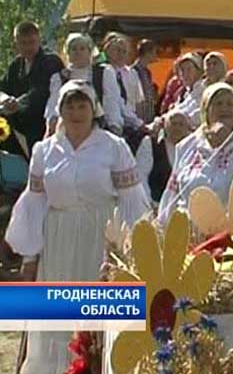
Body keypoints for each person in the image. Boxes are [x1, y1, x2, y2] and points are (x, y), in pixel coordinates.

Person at [4, 79, 150, 374]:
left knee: (97, 316)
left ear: (93, 108)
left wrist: (131, 249)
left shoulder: (113, 146)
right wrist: (30, 257)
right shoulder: (44, 150)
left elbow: (132, 200)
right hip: (57, 239)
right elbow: (35, 205)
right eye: (69, 105)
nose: (76, 111)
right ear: (60, 109)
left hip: (101, 239)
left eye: (82, 105)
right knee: (56, 315)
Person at [158, 82, 233, 224]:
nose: (224, 109)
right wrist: (162, 226)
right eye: (218, 103)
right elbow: (173, 193)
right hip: (189, 231)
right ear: (206, 110)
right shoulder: (187, 145)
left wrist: (228, 143)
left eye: (230, 104)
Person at [0, 21, 64, 157]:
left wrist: (18, 103)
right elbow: (2, 88)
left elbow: (40, 91)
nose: (28, 47)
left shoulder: (51, 61)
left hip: (42, 124)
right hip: (18, 123)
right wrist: (6, 100)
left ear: (39, 39)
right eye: (23, 43)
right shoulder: (16, 65)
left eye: (32, 42)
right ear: (16, 43)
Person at [44, 33, 123, 136]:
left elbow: (111, 102)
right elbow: (53, 103)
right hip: (67, 131)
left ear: (89, 52)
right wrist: (51, 122)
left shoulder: (104, 73)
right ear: (68, 53)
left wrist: (114, 125)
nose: (78, 52)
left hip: (98, 129)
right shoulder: (59, 78)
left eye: (82, 49)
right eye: (74, 49)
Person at [102, 33, 145, 130]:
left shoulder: (132, 73)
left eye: (124, 51)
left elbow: (139, 102)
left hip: (132, 123)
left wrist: (140, 123)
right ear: (107, 51)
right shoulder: (102, 72)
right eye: (117, 50)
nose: (121, 54)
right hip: (111, 122)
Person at [131, 39, 158, 124]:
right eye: (154, 52)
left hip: (148, 115)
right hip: (138, 115)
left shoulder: (147, 72)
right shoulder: (132, 71)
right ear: (148, 53)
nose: (156, 55)